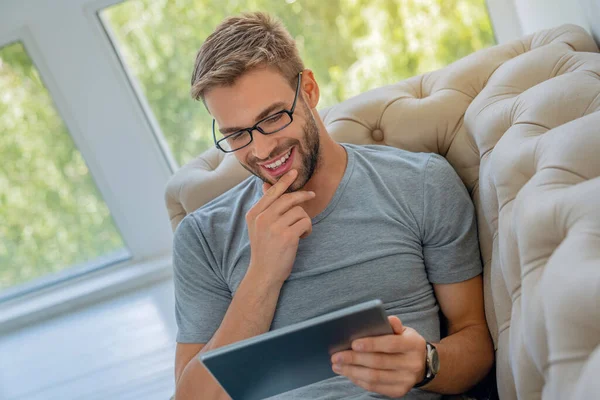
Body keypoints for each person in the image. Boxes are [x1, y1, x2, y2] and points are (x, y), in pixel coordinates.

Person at [172, 11, 494, 400]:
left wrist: (425, 363)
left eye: (273, 118)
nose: (260, 150)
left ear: (308, 90)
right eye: (237, 134)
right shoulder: (202, 237)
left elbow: (474, 340)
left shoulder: (421, 184)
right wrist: (262, 276)